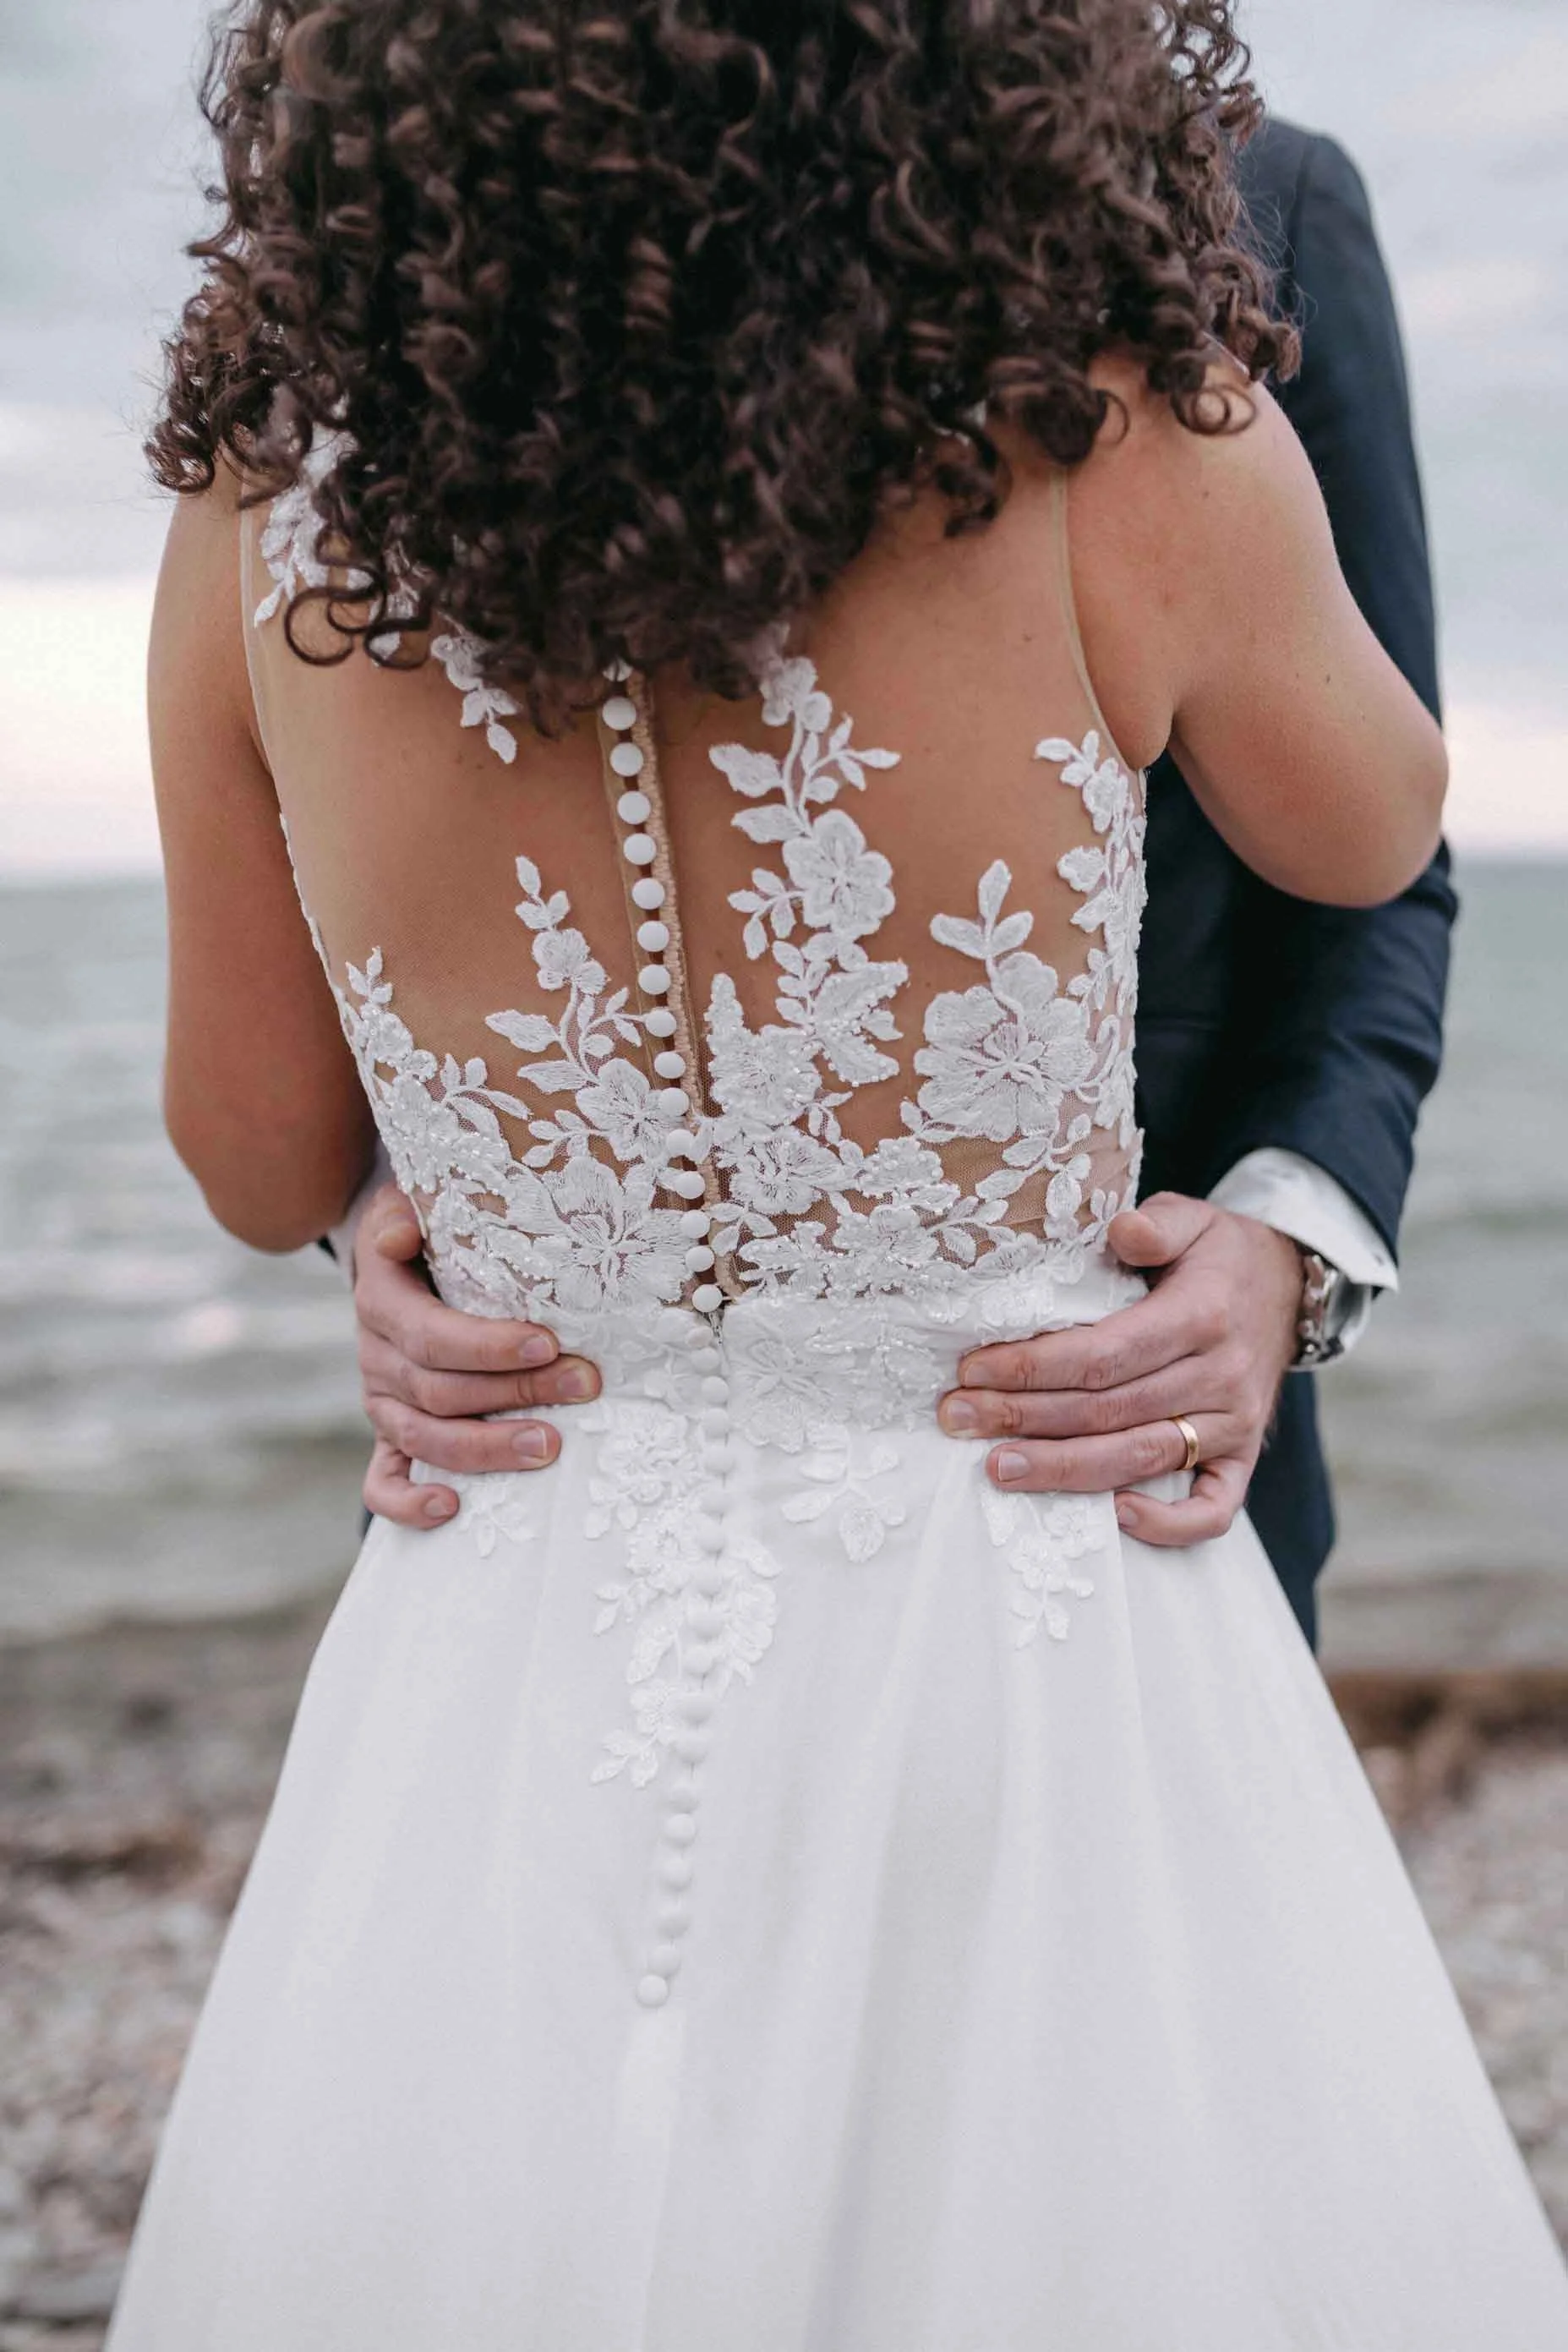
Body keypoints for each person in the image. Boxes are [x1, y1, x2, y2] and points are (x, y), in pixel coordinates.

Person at [110, 3, 1568, 2345]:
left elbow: (260, 1139)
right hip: (1019, 1586)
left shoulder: (265, 505)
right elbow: (1367, 816)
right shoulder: (1113, 421)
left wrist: (456, 1166)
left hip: (531, 1595)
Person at [342, 113, 1455, 1653]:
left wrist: (1283, 1249)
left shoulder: (1248, 208)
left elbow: (1379, 861)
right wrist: (418, 1207)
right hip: (537, 1475)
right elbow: (362, 850)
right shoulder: (430, 253)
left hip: (1111, 1451)